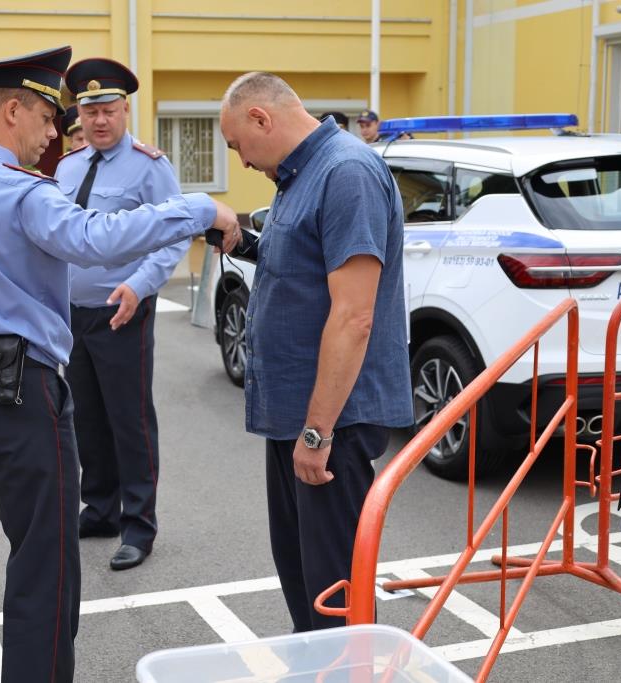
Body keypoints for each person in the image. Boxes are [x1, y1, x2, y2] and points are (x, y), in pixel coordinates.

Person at [0, 45, 240, 683]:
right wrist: (200, 209)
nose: (56, 134)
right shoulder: (24, 194)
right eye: (46, 119)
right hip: (16, 397)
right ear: (11, 112)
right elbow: (93, 241)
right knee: (45, 566)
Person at [219, 72, 412, 631]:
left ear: (261, 119)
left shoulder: (346, 171)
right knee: (306, 586)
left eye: (238, 146)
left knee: (333, 597)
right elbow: (304, 268)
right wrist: (241, 241)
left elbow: (353, 315)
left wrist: (317, 433)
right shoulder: (301, 175)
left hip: (331, 425)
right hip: (299, 418)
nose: (243, 161)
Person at [56, 57, 188, 571]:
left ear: (126, 109)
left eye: (109, 110)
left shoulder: (150, 166)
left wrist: (139, 285)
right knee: (85, 416)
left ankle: (139, 525)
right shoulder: (67, 168)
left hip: (122, 310)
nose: (100, 121)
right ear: (79, 116)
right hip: (71, 315)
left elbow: (173, 233)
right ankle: (102, 507)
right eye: (90, 113)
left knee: (129, 421)